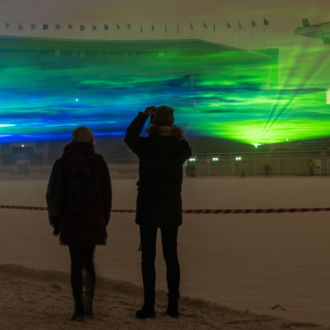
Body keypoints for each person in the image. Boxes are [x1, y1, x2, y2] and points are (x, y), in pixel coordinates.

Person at [125, 105, 192, 318]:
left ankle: (149, 305)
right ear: (173, 123)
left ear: (154, 123)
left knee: (148, 258)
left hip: (148, 205)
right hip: (171, 207)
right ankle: (173, 305)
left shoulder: (146, 145)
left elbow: (130, 136)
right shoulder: (181, 147)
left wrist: (143, 116)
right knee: (171, 256)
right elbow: (184, 148)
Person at [46, 126, 111, 321]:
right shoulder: (99, 163)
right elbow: (106, 194)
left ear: (73, 141)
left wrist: (55, 221)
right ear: (92, 141)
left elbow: (53, 195)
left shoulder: (62, 163)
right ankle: (89, 305)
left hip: (71, 219)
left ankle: (78, 307)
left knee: (75, 263)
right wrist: (103, 218)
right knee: (88, 260)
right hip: (93, 219)